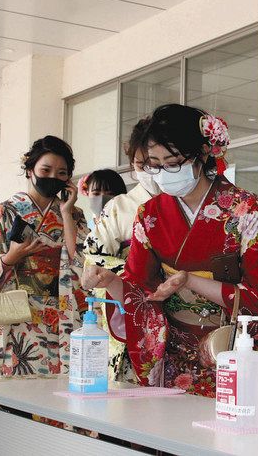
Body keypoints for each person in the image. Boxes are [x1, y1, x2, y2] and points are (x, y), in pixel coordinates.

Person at [82, 104, 258, 411]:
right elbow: (139, 290)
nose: (162, 173)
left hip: (236, 347)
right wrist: (111, 281)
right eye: (153, 165)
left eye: (172, 163)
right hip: (173, 350)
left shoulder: (244, 209)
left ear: (203, 153)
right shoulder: (150, 214)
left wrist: (191, 281)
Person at [0, 135, 88, 376]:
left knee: (55, 383)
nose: (53, 177)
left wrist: (66, 213)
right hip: (13, 310)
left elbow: (84, 261)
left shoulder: (74, 215)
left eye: (61, 173)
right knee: (10, 376)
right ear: (30, 170)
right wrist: (9, 258)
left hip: (57, 309)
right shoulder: (3, 212)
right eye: (46, 169)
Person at [83, 126, 160, 383]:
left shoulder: (183, 201)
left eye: (157, 162)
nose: (150, 169)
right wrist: (140, 274)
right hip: (131, 300)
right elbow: (94, 255)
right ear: (132, 165)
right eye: (142, 163)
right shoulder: (120, 207)